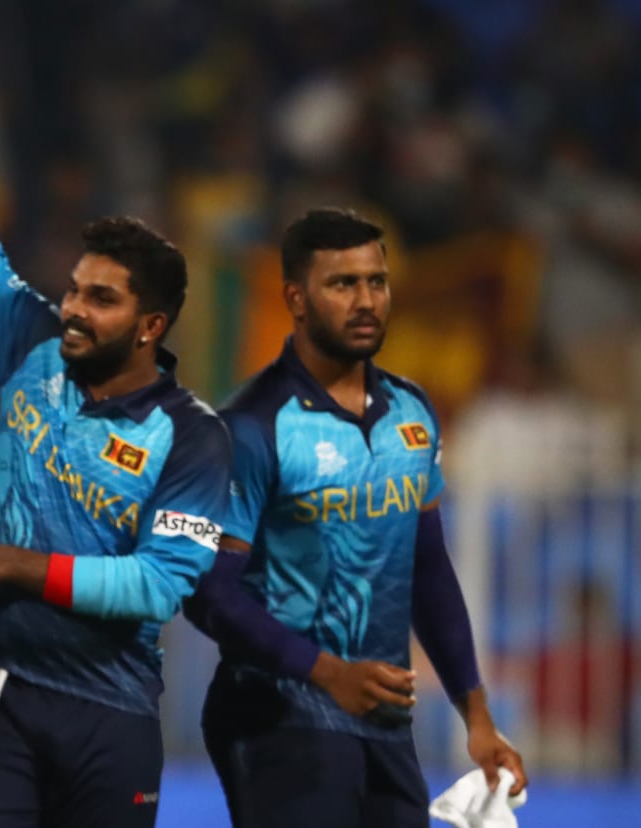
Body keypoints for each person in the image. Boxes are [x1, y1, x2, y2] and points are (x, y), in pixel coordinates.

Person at [0, 3, 233, 826]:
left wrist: (5, 564)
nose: (71, 307)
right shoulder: (32, 346)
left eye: (99, 299)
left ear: (151, 325)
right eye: (74, 287)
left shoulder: (194, 437)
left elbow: (155, 585)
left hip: (112, 715)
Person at [182, 208, 527, 828]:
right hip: (279, 716)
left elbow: (427, 569)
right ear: (296, 298)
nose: (366, 300)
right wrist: (328, 673)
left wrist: (477, 718)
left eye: (377, 281)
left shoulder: (412, 414)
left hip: (383, 723)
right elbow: (209, 593)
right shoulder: (252, 427)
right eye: (343, 284)